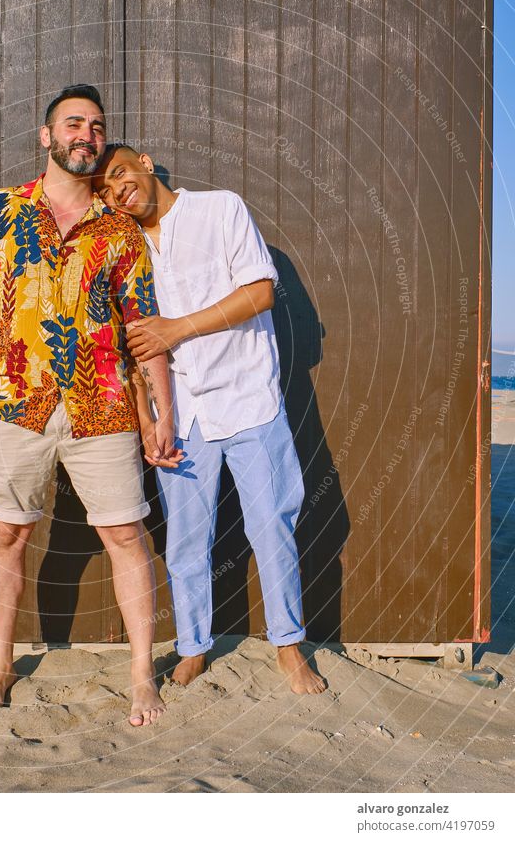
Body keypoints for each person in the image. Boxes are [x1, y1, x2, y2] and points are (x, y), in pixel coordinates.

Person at [0, 87, 181, 725]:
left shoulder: (121, 230)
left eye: (97, 126)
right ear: (46, 136)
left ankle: (141, 676)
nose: (87, 134)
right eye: (73, 123)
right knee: (8, 532)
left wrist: (161, 409)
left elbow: (144, 324)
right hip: (15, 406)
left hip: (103, 407)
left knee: (125, 536)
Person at [93, 144, 327, 694]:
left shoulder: (221, 209)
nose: (117, 189)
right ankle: (195, 645)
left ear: (145, 163)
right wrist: (149, 418)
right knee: (185, 541)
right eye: (105, 189)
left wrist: (179, 328)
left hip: (249, 400)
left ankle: (289, 647)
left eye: (121, 173)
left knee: (273, 525)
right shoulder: (126, 251)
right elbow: (134, 350)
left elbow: (261, 292)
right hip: (185, 415)